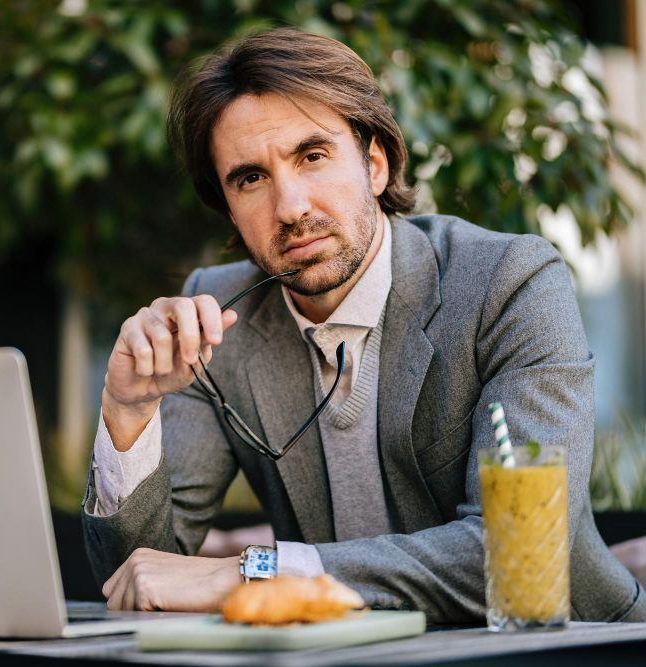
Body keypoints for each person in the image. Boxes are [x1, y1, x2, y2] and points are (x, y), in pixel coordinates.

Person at [80, 26, 646, 623]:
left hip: (564, 646)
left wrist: (258, 569)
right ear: (227, 208)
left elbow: (518, 547)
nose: (292, 207)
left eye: (313, 156)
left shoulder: (510, 281)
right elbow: (145, 576)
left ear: (374, 165)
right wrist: (128, 411)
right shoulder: (215, 317)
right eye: (250, 178)